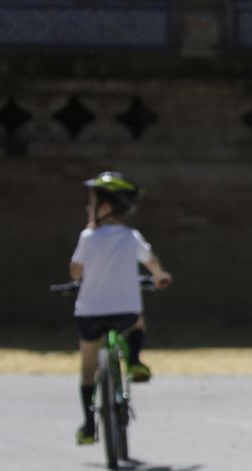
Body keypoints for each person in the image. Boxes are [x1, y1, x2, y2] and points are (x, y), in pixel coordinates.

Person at [70, 171, 172, 445]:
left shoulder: (88, 237)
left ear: (104, 208)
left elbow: (76, 272)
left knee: (88, 366)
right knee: (137, 324)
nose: (87, 208)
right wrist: (159, 276)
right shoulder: (131, 237)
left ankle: (89, 425)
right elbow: (151, 262)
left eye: (91, 203)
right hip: (124, 311)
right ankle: (135, 361)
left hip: (89, 313)